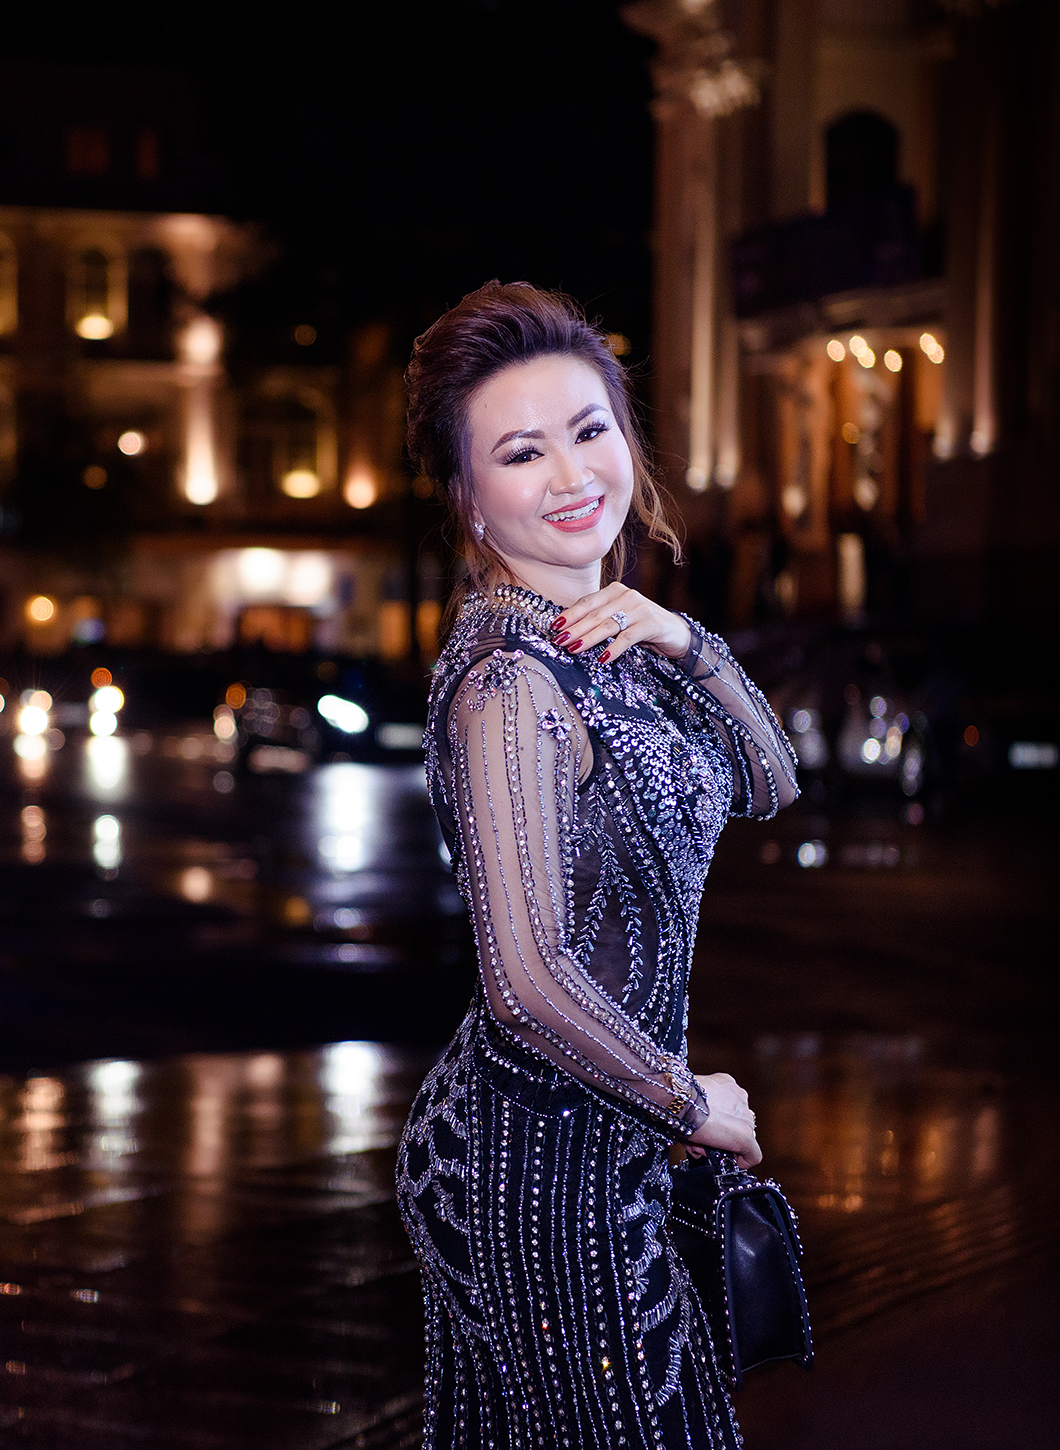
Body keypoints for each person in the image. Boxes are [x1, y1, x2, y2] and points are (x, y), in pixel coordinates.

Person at [395, 282, 798, 1449]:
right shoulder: (508, 683)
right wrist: (690, 1101)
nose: (572, 475)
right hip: (530, 1163)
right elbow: (523, 982)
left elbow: (768, 780)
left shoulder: (609, 642)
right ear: (467, 496)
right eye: (521, 452)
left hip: (603, 1138)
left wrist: (685, 636)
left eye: (589, 430)